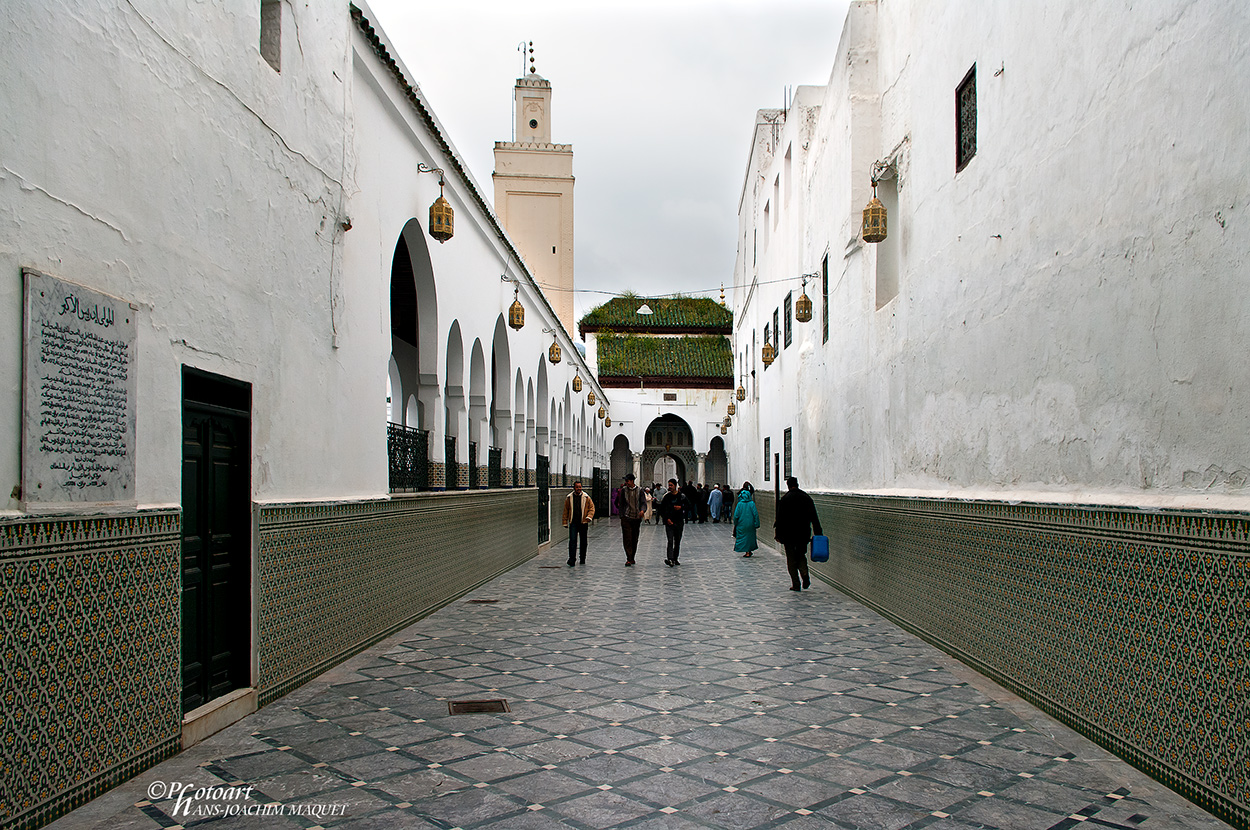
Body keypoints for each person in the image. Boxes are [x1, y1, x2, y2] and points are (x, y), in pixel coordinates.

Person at [774, 476, 823, 590]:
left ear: (788, 485)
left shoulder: (785, 499)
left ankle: (796, 583)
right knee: (801, 555)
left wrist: (778, 535)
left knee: (791, 558)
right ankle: (805, 574)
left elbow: (780, 519)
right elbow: (814, 517)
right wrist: (818, 532)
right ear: (797, 484)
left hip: (788, 535)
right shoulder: (806, 498)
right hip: (803, 534)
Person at [657, 478, 695, 566]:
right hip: (669, 522)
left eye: (671, 485)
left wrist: (681, 508)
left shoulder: (681, 496)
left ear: (675, 485)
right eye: (669, 485)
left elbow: (689, 505)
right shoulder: (667, 497)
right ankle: (670, 558)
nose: (669, 487)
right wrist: (667, 519)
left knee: (677, 541)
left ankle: (675, 558)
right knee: (670, 540)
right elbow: (662, 509)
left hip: (678, 521)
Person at [561, 480, 596, 566]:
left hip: (583, 523)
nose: (579, 489)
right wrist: (565, 521)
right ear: (574, 488)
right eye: (577, 487)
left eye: (580, 487)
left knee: (583, 541)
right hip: (573, 522)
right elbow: (566, 510)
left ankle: (582, 558)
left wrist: (589, 517)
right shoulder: (569, 498)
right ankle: (572, 559)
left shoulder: (586, 497)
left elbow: (592, 508)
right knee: (572, 541)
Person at [613, 473, 645, 566]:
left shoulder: (640, 491)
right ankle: (629, 558)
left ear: (632, 481)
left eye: (627, 481)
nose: (626, 483)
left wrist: (642, 510)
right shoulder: (623, 491)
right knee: (627, 538)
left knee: (634, 538)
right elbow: (621, 503)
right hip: (626, 517)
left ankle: (632, 557)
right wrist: (622, 515)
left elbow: (643, 502)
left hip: (636, 518)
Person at [732, 482, 760, 556]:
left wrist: (735, 523)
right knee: (750, 537)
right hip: (750, 524)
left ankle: (747, 551)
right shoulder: (752, 504)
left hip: (741, 524)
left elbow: (736, 515)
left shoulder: (740, 504)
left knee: (743, 537)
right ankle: (749, 551)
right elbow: (755, 514)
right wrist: (757, 523)